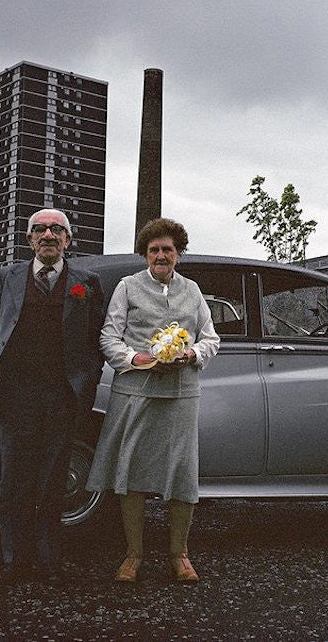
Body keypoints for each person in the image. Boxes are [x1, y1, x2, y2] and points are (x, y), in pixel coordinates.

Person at [0, 208, 105, 585]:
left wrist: (88, 385)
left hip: (62, 397)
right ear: (29, 239)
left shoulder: (87, 281)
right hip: (17, 395)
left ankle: (49, 562)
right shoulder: (8, 277)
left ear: (68, 239)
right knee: (14, 481)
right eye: (40, 230)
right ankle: (15, 561)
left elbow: (96, 341)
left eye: (56, 229)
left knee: (53, 482)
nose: (48, 235)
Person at [87, 218, 220, 582]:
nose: (161, 255)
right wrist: (136, 359)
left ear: (178, 254)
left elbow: (211, 338)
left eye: (168, 250)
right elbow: (109, 337)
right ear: (145, 254)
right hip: (136, 391)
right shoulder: (127, 287)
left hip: (181, 393)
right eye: (154, 250)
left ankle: (180, 555)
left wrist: (191, 354)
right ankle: (133, 555)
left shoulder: (193, 291)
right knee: (131, 473)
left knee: (181, 474)